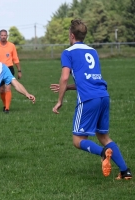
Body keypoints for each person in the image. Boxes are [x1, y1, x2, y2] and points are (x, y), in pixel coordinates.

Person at [51, 19, 132, 180]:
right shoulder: (93, 51)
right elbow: (89, 79)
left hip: (88, 99)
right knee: (103, 136)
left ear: (71, 35)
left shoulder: (68, 52)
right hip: (103, 96)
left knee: (78, 140)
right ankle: (125, 171)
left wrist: (60, 100)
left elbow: (65, 77)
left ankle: (103, 153)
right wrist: (67, 88)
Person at [0, 29, 22, 113]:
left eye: (5, 35)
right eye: (2, 35)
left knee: (8, 87)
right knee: (1, 90)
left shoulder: (11, 46)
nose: (3, 36)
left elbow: (15, 59)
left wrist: (19, 70)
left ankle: (7, 108)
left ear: (7, 36)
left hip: (9, 68)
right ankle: (4, 104)